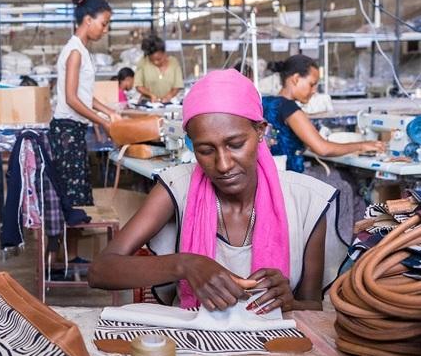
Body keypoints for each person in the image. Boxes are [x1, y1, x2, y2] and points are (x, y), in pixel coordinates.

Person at [89, 69, 346, 313]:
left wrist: (289, 303)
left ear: (260, 132)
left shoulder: (305, 202)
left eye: (235, 145)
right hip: (193, 349)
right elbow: (100, 270)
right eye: (205, 150)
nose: (223, 165)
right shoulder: (177, 188)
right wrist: (185, 264)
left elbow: (312, 307)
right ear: (191, 144)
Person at [50, 0, 119, 208]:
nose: (105, 30)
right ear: (88, 20)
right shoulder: (75, 52)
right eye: (104, 23)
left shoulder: (80, 50)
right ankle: (67, 242)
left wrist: (108, 111)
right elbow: (71, 99)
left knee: (79, 196)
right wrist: (103, 121)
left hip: (73, 131)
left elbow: (84, 95)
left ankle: (72, 241)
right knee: (74, 201)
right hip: (67, 132)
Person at [262, 54, 385, 174]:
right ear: (296, 79)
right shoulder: (289, 107)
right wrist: (362, 146)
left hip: (271, 176)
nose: (314, 90)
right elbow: (323, 149)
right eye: (312, 84)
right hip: (290, 179)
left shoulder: (266, 103)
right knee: (344, 182)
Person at [134, 35, 183, 103]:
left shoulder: (174, 63)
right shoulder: (143, 62)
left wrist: (169, 96)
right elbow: (138, 86)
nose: (156, 62)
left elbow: (177, 85)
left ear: (164, 53)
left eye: (159, 59)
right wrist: (151, 95)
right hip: (148, 104)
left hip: (170, 104)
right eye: (152, 60)